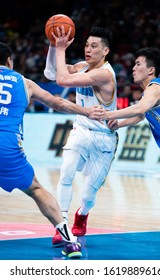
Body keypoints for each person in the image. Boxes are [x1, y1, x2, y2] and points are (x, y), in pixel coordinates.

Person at [0, 42, 102, 258]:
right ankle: (69, 241)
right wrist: (86, 111)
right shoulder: (24, 83)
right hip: (7, 147)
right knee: (36, 190)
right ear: (9, 61)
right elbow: (57, 103)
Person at [44, 26, 118, 245]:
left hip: (103, 137)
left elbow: (62, 81)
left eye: (94, 46)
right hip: (81, 129)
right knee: (66, 173)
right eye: (86, 44)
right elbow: (51, 73)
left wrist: (60, 49)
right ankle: (62, 223)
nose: (88, 49)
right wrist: (52, 46)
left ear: (105, 51)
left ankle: (82, 212)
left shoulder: (104, 74)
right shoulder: (82, 66)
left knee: (88, 194)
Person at [98, 47, 160, 206]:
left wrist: (108, 114)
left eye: (138, 64)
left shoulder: (155, 88)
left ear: (151, 70)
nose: (133, 68)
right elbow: (140, 115)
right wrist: (119, 123)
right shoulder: (150, 92)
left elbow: (140, 109)